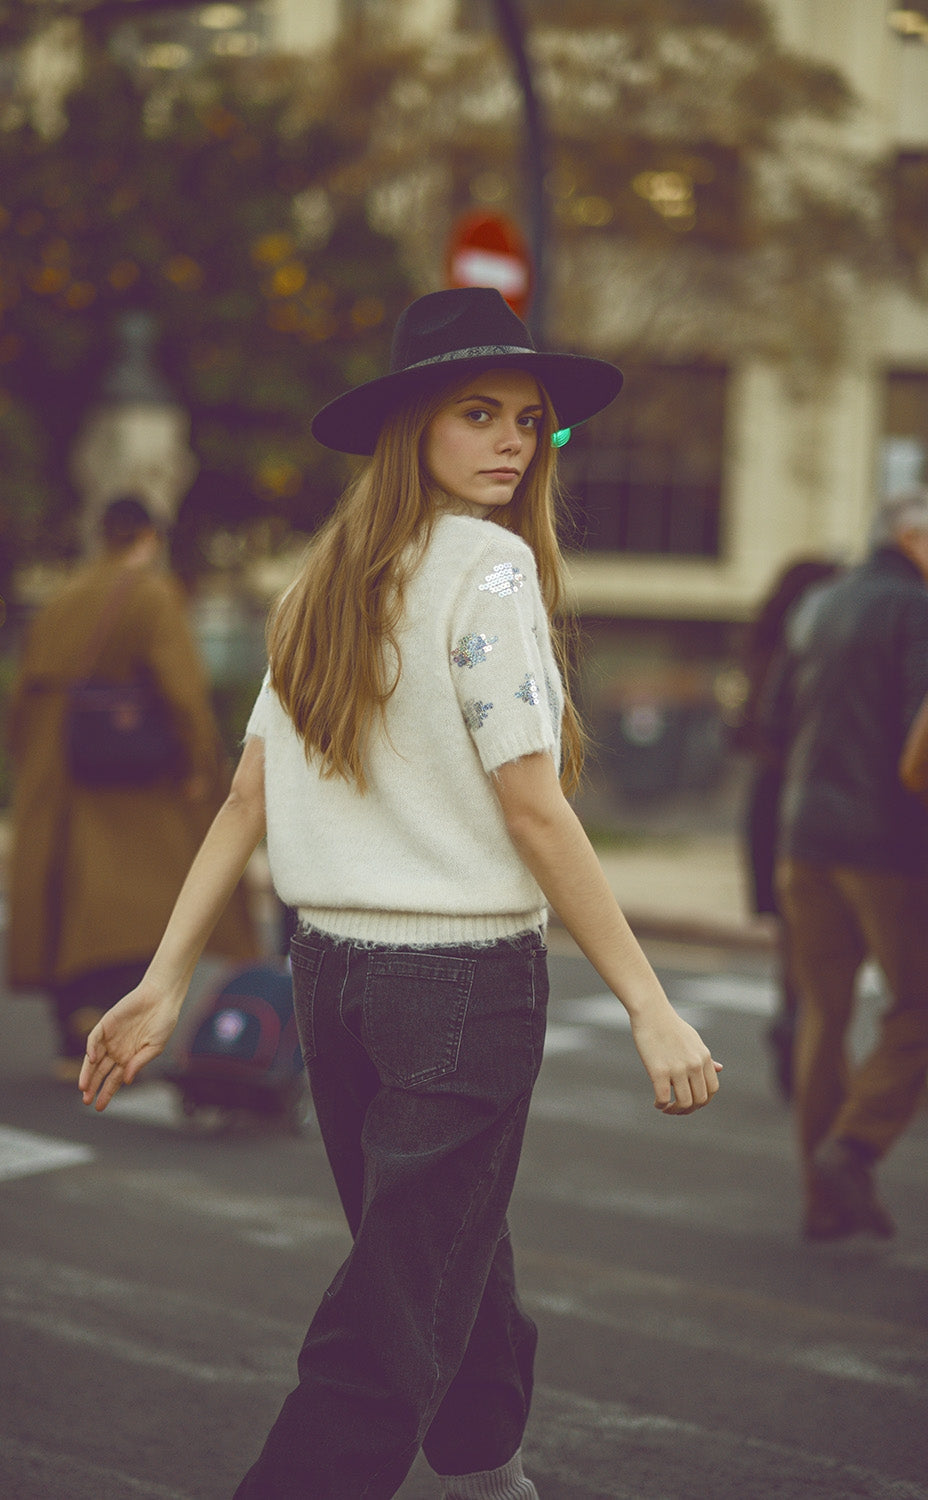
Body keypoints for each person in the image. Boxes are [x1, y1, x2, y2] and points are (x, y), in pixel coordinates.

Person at [79, 288, 721, 1500]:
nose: (510, 444)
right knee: (392, 1301)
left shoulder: (322, 580)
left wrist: (166, 979)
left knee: (440, 1256)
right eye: (477, 414)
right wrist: (648, 1003)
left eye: (529, 422)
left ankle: (481, 1469)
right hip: (458, 988)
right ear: (410, 427)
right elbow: (534, 808)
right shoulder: (489, 574)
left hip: (336, 979)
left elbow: (243, 803)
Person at [6, 495, 259, 1079]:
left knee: (65, 891)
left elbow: (20, 695)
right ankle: (107, 1021)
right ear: (148, 536)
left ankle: (71, 1028)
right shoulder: (150, 593)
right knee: (133, 894)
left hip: (54, 763)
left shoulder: (62, 596)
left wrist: (29, 757)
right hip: (126, 770)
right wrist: (200, 761)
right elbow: (181, 687)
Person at [774, 487, 928, 1242]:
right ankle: (855, 1146)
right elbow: (919, 748)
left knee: (823, 1016)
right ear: (912, 537)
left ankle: (820, 1199)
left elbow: (775, 722)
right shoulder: (919, 609)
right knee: (918, 1007)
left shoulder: (820, 604)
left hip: (805, 837)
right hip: (889, 848)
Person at [730, 558, 840, 1100]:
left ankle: (792, 1022)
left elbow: (744, 730)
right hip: (812, 798)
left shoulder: (761, 652)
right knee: (822, 932)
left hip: (768, 800)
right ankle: (809, 1036)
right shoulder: (819, 650)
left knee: (793, 936)